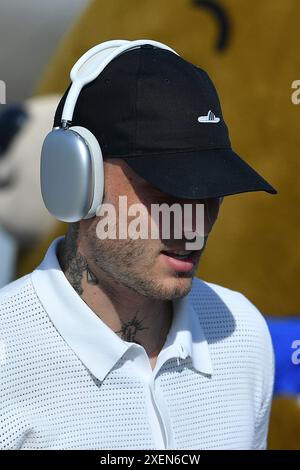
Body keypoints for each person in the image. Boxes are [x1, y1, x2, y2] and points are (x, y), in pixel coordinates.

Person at [0, 40, 277, 450]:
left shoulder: (242, 333)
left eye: (211, 190)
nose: (194, 223)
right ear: (76, 178)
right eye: (165, 189)